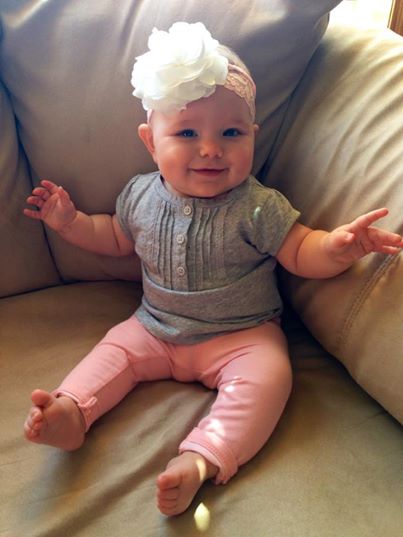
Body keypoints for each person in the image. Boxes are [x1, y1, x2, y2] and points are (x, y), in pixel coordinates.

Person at [23, 22, 403, 516]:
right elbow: (113, 237)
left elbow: (299, 249)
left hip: (242, 334)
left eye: (231, 133)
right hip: (153, 326)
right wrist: (69, 222)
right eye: (186, 133)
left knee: (271, 376)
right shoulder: (139, 195)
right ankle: (72, 410)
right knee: (112, 351)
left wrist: (339, 246)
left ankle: (202, 459)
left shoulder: (257, 205)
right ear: (150, 142)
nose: (210, 148)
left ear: (252, 136)